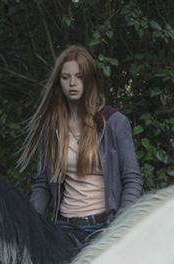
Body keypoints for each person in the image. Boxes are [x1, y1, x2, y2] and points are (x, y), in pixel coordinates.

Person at [21, 45, 143, 245]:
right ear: (58, 82)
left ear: (90, 80)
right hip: (64, 229)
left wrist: (121, 226)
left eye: (79, 76)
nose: (72, 83)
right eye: (66, 77)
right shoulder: (52, 128)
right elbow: (42, 183)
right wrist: (29, 224)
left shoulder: (113, 122)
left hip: (105, 229)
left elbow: (132, 180)